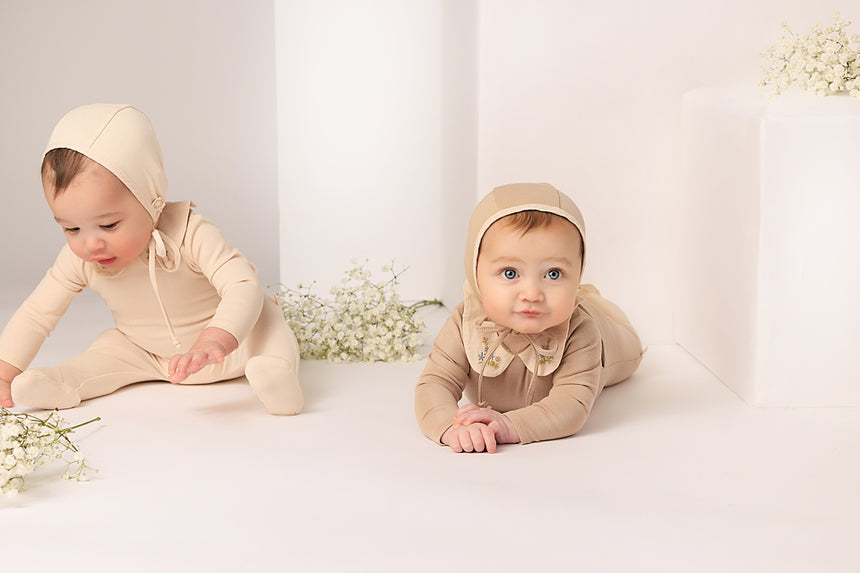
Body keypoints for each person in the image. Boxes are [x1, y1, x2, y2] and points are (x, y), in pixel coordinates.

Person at [0, 104, 302, 415]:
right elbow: (37, 314)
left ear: (151, 199)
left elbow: (241, 285)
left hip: (234, 349)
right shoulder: (79, 260)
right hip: (148, 354)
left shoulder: (191, 233)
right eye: (71, 228)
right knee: (110, 348)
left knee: (266, 317)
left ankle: (277, 374)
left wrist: (216, 338)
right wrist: (6, 368)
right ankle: (60, 382)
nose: (91, 243)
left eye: (108, 225)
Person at [415, 183, 643, 452]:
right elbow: (435, 382)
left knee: (627, 344)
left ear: (579, 273)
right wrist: (450, 427)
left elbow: (572, 404)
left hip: (612, 337)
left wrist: (510, 425)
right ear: (475, 271)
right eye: (510, 273)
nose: (532, 294)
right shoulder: (465, 321)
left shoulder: (581, 329)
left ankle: (594, 302)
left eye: (554, 274)